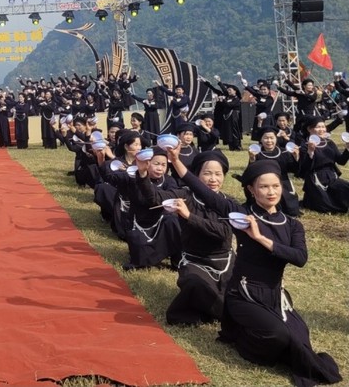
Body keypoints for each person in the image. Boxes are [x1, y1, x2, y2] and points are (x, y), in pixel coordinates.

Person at [168, 149, 342, 387]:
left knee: (300, 339)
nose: (271, 192)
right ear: (251, 190)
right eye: (263, 187)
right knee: (278, 336)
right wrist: (176, 161)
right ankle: (240, 338)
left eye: (275, 186)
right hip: (243, 294)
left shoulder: (292, 225)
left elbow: (300, 258)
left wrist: (261, 239)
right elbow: (202, 191)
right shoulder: (242, 216)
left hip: (275, 296)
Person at [137, 150, 234, 325]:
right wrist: (143, 174)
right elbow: (154, 198)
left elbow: (224, 233)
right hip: (195, 262)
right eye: (207, 173)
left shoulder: (228, 203)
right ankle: (227, 314)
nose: (213, 179)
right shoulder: (185, 195)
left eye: (218, 174)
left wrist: (189, 217)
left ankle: (220, 308)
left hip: (225, 262)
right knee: (195, 283)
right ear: (196, 176)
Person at [297, 115, 349, 213]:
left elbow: (341, 161)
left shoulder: (330, 143)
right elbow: (304, 168)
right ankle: (311, 201)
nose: (322, 129)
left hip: (331, 176)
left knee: (345, 189)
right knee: (329, 208)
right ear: (309, 129)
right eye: (318, 127)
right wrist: (310, 152)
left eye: (323, 126)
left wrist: (347, 149)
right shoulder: (305, 146)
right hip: (315, 179)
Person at [249, 127, 300, 217]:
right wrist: (252, 159)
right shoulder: (257, 154)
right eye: (266, 138)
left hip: (283, 182)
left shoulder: (284, 152)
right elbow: (251, 172)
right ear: (261, 139)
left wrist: (296, 157)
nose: (269, 141)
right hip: (264, 183)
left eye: (272, 138)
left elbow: (294, 170)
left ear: (276, 139)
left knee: (290, 208)